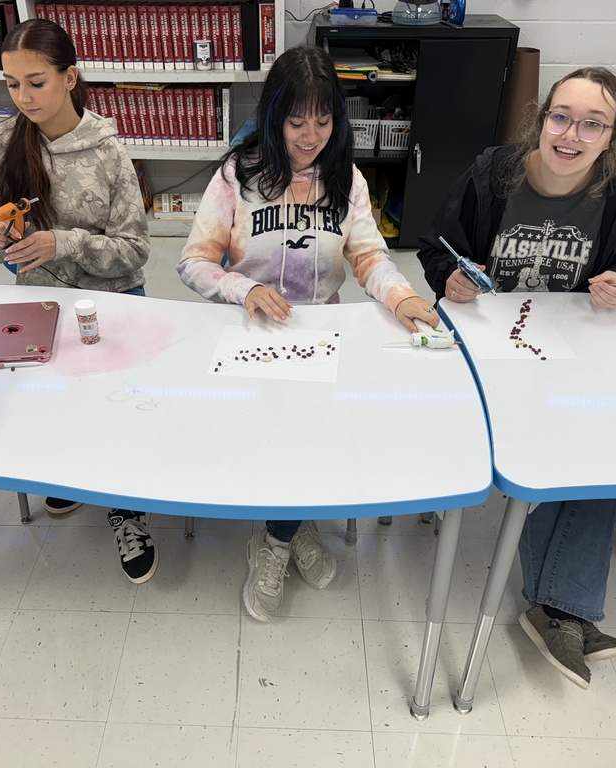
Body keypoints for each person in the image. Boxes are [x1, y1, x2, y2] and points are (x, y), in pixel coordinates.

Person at [177, 45, 442, 622]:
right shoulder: (237, 177)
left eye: (323, 121)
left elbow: (370, 258)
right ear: (273, 114)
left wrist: (403, 296)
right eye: (296, 120)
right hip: (250, 337)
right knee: (274, 439)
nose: (310, 135)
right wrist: (242, 288)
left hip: (319, 335)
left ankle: (277, 535)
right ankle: (284, 535)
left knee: (311, 434)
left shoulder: (345, 180)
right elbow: (194, 263)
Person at [418, 67, 616, 689]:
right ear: (541, 119)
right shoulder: (494, 173)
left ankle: (560, 609)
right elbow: (437, 247)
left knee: (598, 449)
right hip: (489, 346)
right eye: (561, 116)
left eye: (592, 124)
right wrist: (448, 277)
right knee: (547, 450)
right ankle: (565, 609)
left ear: (612, 136)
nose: (571, 134)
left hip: (570, 348)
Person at [0, 18, 156, 584]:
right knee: (53, 406)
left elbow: (134, 253)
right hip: (40, 308)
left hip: (113, 304)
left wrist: (66, 241)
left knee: (114, 414)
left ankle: (127, 509)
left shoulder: (107, 152)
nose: (22, 98)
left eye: (36, 82)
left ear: (70, 77)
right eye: (11, 84)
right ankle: (72, 477)